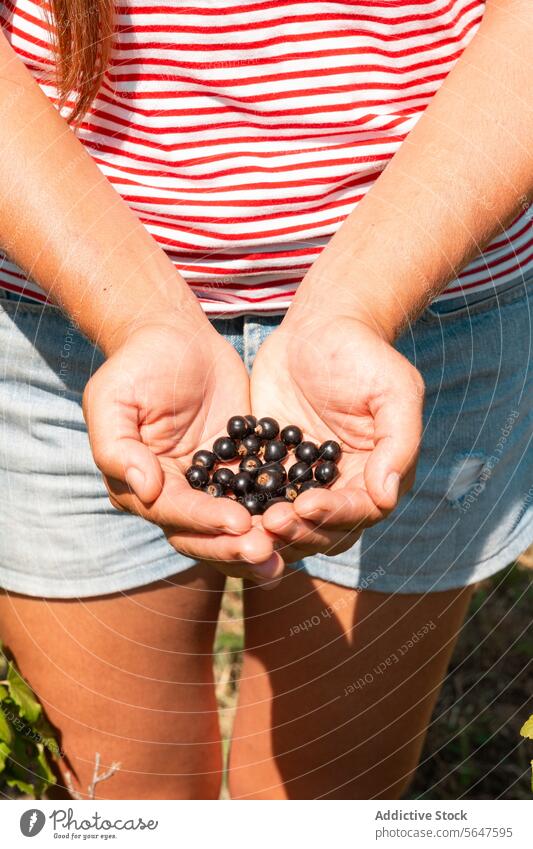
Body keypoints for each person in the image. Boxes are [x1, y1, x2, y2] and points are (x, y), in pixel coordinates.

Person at [0, 0, 531, 800]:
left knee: (330, 803)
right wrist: (140, 315)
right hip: (57, 301)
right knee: (124, 797)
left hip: (432, 288)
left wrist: (355, 303)